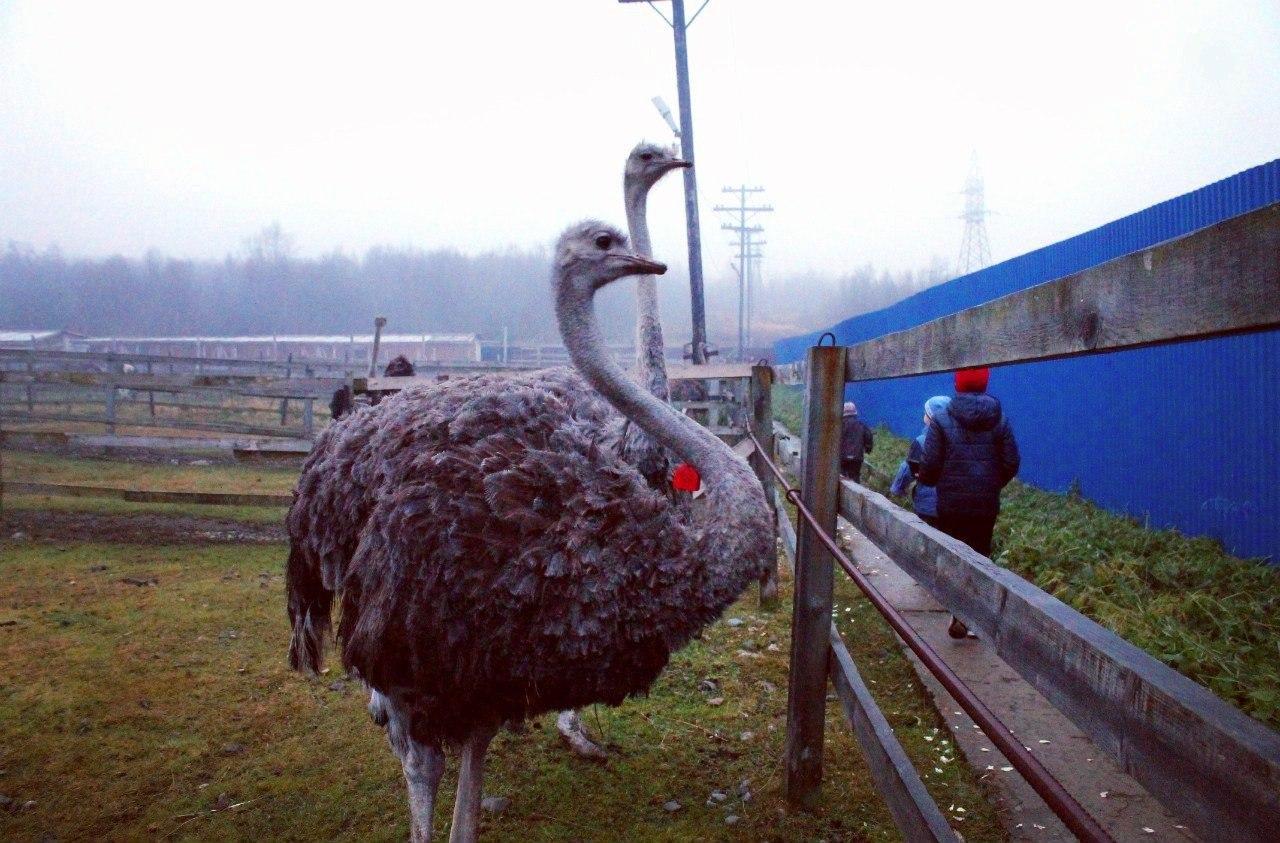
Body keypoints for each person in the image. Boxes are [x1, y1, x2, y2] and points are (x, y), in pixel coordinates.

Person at [918, 367, 1019, 638]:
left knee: (953, 554)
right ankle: (972, 619)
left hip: (950, 503)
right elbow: (1011, 462)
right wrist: (991, 485)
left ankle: (957, 610)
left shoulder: (941, 419)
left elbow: (930, 464)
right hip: (985, 505)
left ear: (957, 384)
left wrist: (932, 481)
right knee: (979, 556)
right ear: (985, 384)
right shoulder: (1000, 420)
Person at [889, 396, 950, 525]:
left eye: (926, 413)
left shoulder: (921, 441)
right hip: (952, 506)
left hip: (927, 505)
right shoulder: (956, 441)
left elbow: (908, 468)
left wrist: (897, 488)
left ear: (930, 418)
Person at [839, 401, 874, 481]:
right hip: (857, 458)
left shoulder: (839, 425)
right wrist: (868, 449)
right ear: (855, 414)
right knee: (855, 477)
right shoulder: (862, 425)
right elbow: (869, 439)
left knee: (841, 477)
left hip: (842, 457)